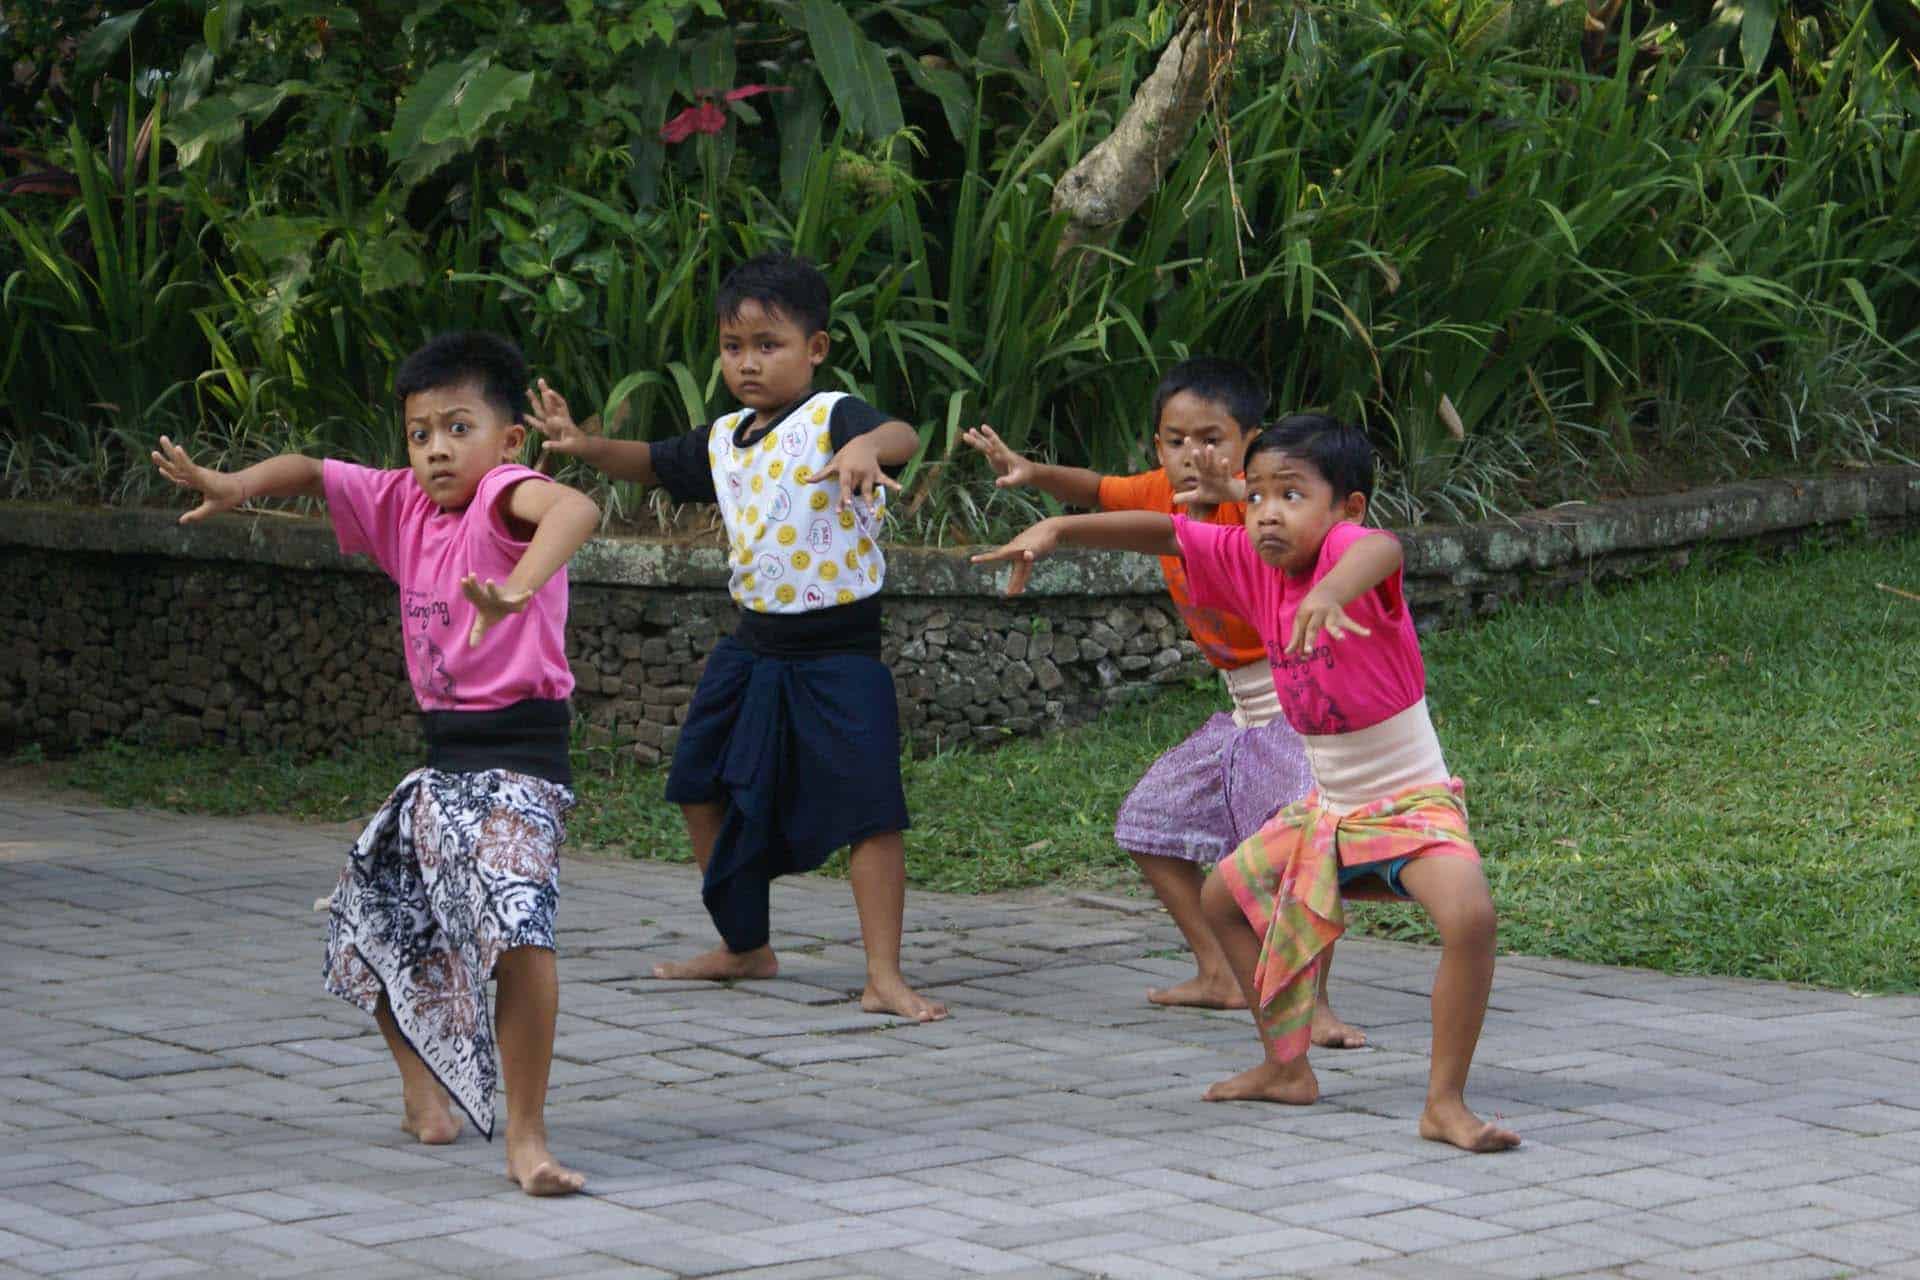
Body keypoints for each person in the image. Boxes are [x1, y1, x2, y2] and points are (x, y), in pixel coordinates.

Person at [973, 414, 1518, 1152]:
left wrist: (1331, 592)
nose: (1266, 512)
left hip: (1405, 803)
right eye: (1256, 495)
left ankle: (1444, 1104)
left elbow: (1385, 550)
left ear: (1344, 508)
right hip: (1324, 811)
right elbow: (1167, 532)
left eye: (1291, 495)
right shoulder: (1250, 560)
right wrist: (1059, 532)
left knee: (1470, 917)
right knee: (1221, 899)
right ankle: (1286, 1068)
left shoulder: (1352, 550)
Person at [150, 331, 602, 1193]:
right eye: (419, 432)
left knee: (517, 931)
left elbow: (576, 510)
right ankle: (420, 1092)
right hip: (439, 767)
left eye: (458, 428)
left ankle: (527, 1138)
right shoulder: (401, 503)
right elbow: (315, 471)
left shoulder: (506, 496)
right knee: (373, 929)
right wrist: (237, 486)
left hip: (520, 763)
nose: (436, 449)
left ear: (506, 441)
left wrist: (514, 588)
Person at [528, 251, 946, 1022]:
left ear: (815, 348)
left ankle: (883, 974)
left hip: (839, 652)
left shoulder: (835, 416)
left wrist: (863, 450)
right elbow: (652, 463)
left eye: (768, 345)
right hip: (752, 647)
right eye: (732, 347)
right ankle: (745, 944)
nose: (747, 363)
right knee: (696, 783)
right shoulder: (724, 438)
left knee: (871, 811)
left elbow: (902, 434)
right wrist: (585, 447)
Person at [962, 362, 1364, 1048]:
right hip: (1241, 712)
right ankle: (1220, 972)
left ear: (1250, 442)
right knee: (1149, 820)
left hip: (1301, 710)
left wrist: (1236, 489)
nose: (1192, 455)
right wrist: (1035, 476)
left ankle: (1314, 1006)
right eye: (1175, 440)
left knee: (1297, 858)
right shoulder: (1163, 494)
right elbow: (1100, 492)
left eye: (1212, 439)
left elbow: (1301, 528)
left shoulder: (1268, 507)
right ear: (1156, 446)